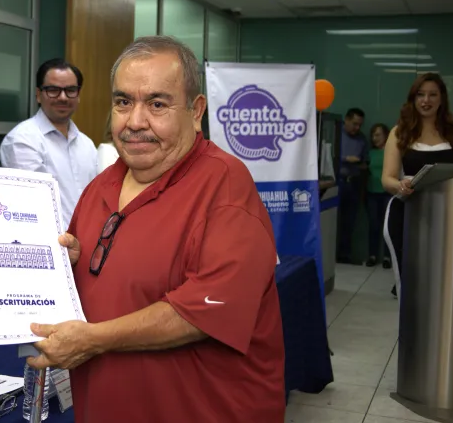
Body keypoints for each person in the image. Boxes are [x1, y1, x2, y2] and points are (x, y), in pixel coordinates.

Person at [26, 36, 285, 422]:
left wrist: (93, 340)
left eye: (157, 104)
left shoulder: (225, 186)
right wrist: (69, 265)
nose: (135, 122)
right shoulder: (101, 187)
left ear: (196, 111)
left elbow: (205, 311)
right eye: (123, 102)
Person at [382, 73, 453, 296]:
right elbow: (387, 178)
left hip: (449, 218)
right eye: (420, 95)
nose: (426, 100)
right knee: (410, 286)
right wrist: (400, 185)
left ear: (442, 99)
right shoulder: (399, 133)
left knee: (445, 286)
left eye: (433, 94)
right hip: (406, 215)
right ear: (413, 99)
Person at [0, 59, 97, 228]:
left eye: (70, 90)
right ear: (38, 94)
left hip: (89, 239)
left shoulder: (87, 145)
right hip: (46, 240)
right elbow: (32, 207)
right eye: (53, 90)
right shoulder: (22, 140)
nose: (63, 97)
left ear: (78, 94)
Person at [337, 107, 369, 264]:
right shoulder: (336, 134)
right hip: (337, 182)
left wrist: (361, 163)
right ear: (347, 120)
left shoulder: (362, 139)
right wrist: (345, 159)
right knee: (332, 220)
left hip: (354, 182)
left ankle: (344, 255)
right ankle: (329, 255)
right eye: (355, 124)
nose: (357, 128)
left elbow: (366, 161)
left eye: (360, 125)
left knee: (349, 222)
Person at [366, 123, 392, 268]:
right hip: (372, 193)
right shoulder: (370, 153)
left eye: (378, 135)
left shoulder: (391, 152)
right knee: (373, 225)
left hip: (387, 193)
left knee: (387, 227)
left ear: (386, 136)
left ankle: (388, 257)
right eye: (373, 135)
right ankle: (372, 255)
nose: (374, 138)